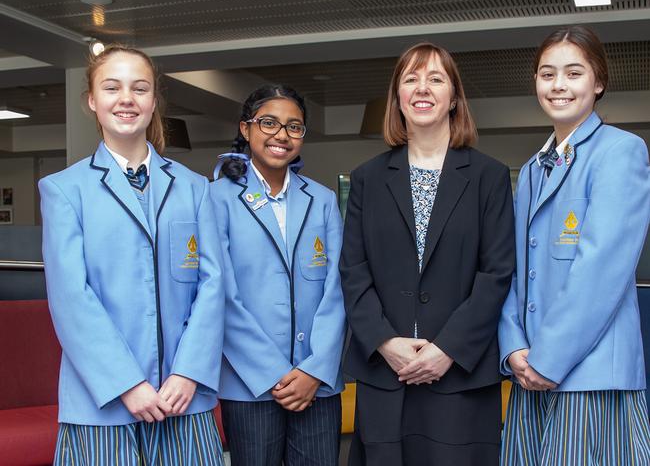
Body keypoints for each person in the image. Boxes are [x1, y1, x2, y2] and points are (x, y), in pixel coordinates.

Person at [39, 45, 225, 465]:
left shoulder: (194, 187)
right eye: (112, 87)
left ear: (154, 101)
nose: (127, 98)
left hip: (182, 397)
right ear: (91, 100)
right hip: (101, 400)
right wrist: (127, 383)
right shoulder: (64, 190)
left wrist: (188, 371)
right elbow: (71, 298)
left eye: (139, 88)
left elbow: (213, 285)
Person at [340, 42, 515, 466]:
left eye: (436, 79)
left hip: (459, 380)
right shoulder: (367, 178)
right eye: (411, 79)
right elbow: (353, 270)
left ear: (454, 97)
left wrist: (447, 349)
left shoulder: (488, 177)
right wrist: (384, 342)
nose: (423, 89)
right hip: (387, 376)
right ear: (397, 97)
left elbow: (497, 273)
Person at [499, 25, 650, 465]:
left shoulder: (620, 151)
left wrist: (548, 359)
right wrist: (513, 350)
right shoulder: (531, 168)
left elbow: (601, 268)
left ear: (598, 81)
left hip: (588, 371)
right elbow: (512, 266)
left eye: (573, 72)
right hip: (529, 369)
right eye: (547, 74)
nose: (558, 85)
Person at [210, 84, 346, 466]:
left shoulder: (321, 199)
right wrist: (272, 374)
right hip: (249, 383)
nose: (282, 135)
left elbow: (337, 290)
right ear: (246, 128)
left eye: (294, 127)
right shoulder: (217, 198)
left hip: (315, 384)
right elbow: (221, 295)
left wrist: (314, 370)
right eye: (268, 123)